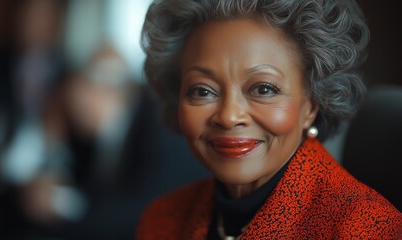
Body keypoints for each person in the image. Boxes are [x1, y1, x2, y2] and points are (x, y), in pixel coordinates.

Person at [136, 0, 402, 239]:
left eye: (263, 89)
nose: (229, 117)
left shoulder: (363, 228)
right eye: (202, 90)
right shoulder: (161, 220)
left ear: (311, 103)